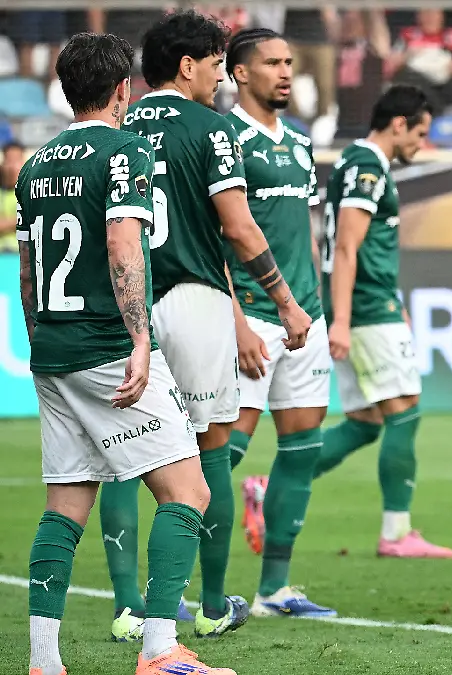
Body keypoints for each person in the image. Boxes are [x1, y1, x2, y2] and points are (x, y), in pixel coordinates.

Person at [20, 31, 234, 675]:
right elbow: (122, 247)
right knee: (187, 492)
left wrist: (39, 341)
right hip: (108, 346)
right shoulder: (124, 152)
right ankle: (159, 649)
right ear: (123, 89)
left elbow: (30, 272)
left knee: (66, 505)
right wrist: (141, 340)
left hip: (53, 351)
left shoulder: (36, 164)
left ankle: (43, 661)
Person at [100, 10, 313, 642]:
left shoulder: (114, 126)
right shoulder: (214, 129)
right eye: (218, 64)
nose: (222, 77)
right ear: (188, 66)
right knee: (209, 452)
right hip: (194, 300)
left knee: (119, 457)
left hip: (125, 304)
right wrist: (285, 301)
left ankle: (128, 607)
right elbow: (239, 229)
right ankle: (216, 605)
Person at [217, 28, 337, 619]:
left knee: (302, 450)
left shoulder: (300, 142)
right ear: (240, 74)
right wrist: (236, 321)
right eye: (271, 63)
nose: (286, 72)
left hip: (304, 319)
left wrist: (318, 309)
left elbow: (308, 234)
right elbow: (216, 239)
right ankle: (198, 592)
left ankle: (274, 591)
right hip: (254, 317)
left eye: (290, 61)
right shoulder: (225, 140)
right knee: (223, 456)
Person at [313, 84, 452, 559]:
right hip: (365, 307)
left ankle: (270, 486)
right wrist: (344, 319)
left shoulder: (361, 164)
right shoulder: (368, 165)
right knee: (405, 410)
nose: (422, 144)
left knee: (366, 420)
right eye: (421, 133)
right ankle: (397, 533)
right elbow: (348, 247)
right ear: (399, 124)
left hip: (372, 303)